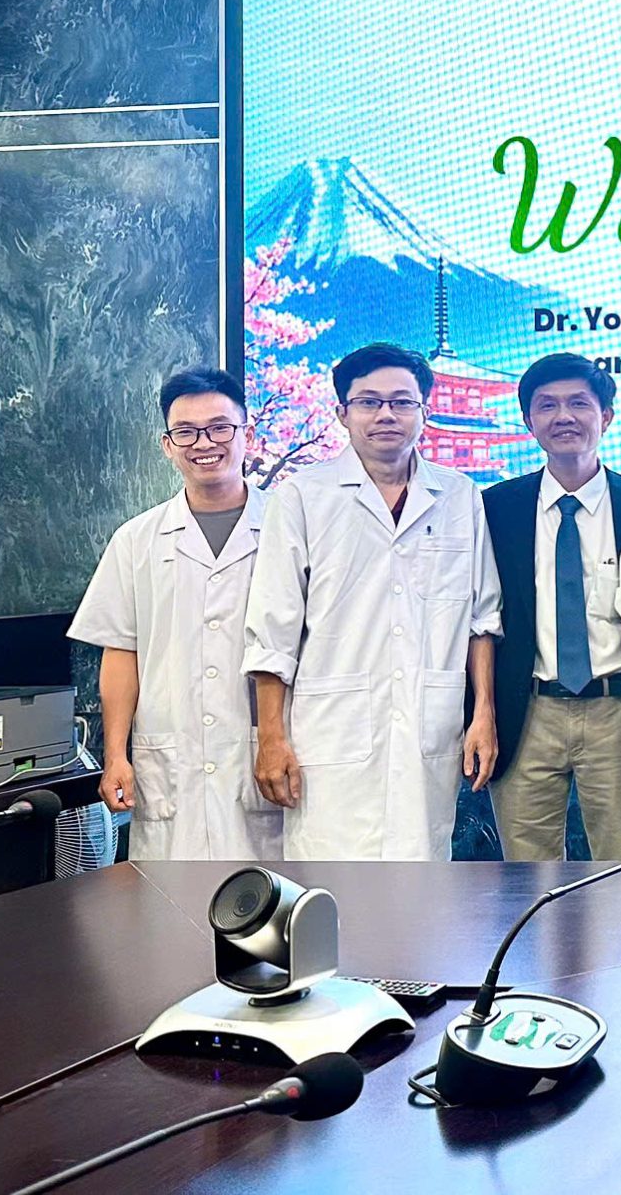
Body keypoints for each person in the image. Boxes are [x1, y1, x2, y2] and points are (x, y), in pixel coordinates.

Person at [243, 343, 502, 860]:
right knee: (332, 877)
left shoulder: (460, 496)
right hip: (329, 733)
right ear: (342, 413)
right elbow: (273, 632)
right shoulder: (303, 496)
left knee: (423, 871)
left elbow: (481, 619)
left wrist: (484, 714)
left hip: (428, 727)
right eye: (368, 402)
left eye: (402, 402)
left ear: (424, 412)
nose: (386, 414)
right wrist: (270, 738)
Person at [72, 367, 283, 862]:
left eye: (219, 428)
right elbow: (121, 653)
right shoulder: (136, 540)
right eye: (186, 432)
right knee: (169, 902)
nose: (204, 443)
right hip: (170, 763)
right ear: (167, 445)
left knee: (271, 898)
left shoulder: (289, 528)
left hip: (263, 756)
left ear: (247, 434)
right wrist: (115, 754)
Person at [482, 353, 621, 861]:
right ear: (528, 420)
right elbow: (483, 614)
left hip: (619, 710)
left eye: (579, 403)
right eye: (547, 405)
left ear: (607, 416)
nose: (564, 417)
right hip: (527, 710)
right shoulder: (497, 507)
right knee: (526, 871)